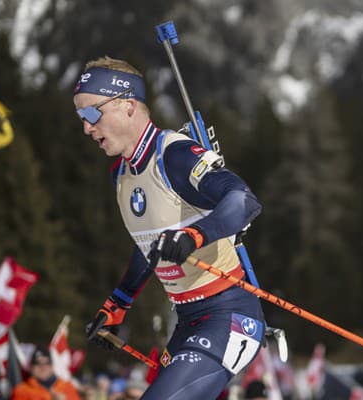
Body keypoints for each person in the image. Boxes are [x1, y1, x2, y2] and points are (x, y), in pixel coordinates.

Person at [74, 56, 265, 399]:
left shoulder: (173, 156)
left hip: (229, 315)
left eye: (91, 114)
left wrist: (194, 236)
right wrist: (118, 303)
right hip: (187, 322)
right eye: (80, 118)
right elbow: (148, 244)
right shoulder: (122, 175)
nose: (86, 128)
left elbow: (244, 200)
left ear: (127, 106)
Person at [10, 346, 81, 400]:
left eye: (47, 363)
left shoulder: (67, 387)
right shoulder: (21, 390)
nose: (43, 367)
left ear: (52, 366)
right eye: (37, 363)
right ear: (31, 367)